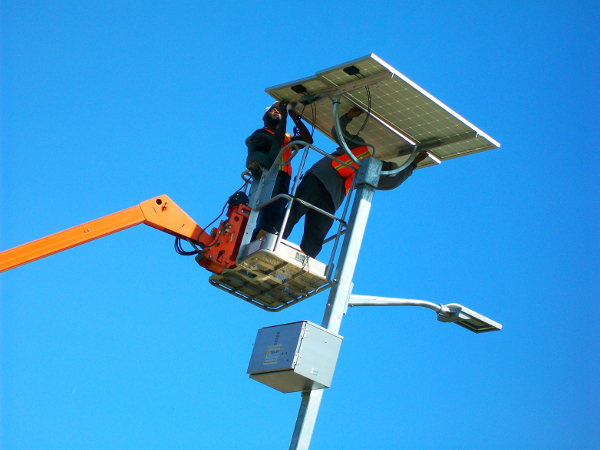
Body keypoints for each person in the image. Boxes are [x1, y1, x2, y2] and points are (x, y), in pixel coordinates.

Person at [280, 106, 428, 258]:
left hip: (332, 199)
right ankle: (273, 239)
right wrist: (347, 117)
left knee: (316, 233)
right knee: (292, 212)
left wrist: (412, 165)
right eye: (387, 164)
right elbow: (338, 132)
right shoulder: (360, 147)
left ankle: (304, 261)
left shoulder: (369, 175)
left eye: (388, 168)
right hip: (317, 178)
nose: (385, 166)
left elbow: (393, 182)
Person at [246, 101, 313, 239]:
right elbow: (276, 142)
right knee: (266, 216)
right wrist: (285, 117)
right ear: (264, 117)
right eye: (272, 110)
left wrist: (295, 118)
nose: (277, 112)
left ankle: (264, 238)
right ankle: (256, 240)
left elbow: (308, 140)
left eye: (279, 111)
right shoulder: (260, 134)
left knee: (276, 218)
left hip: (284, 180)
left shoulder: (287, 137)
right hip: (270, 177)